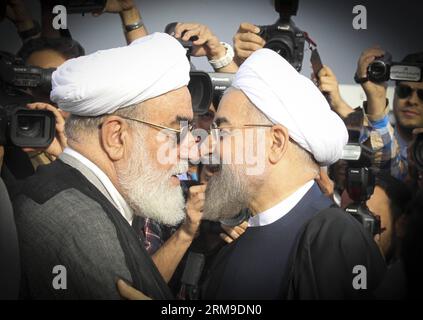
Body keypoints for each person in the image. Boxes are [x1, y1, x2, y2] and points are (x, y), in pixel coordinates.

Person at [13, 32, 199, 299]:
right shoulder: (86, 228)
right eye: (176, 131)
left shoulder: (76, 194)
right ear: (116, 137)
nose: (192, 149)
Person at [198, 48, 386, 300]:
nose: (207, 146)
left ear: (275, 143)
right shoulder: (229, 248)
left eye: (223, 132)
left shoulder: (332, 238)